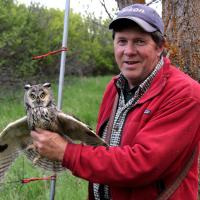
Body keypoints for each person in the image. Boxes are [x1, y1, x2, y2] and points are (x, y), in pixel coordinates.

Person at [31, 4, 200, 200]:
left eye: (139, 41)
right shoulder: (115, 87)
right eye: (122, 41)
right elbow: (104, 148)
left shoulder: (185, 94)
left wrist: (67, 152)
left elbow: (142, 164)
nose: (129, 51)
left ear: (160, 46)